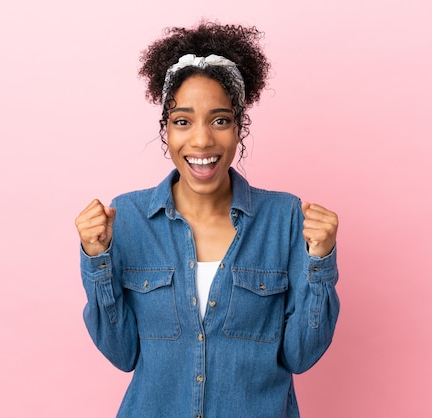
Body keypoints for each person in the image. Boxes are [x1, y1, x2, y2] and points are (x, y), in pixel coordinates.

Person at [75, 21, 340, 418]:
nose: (201, 141)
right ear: (166, 130)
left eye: (219, 120)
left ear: (239, 128)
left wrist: (320, 261)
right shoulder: (127, 218)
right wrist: (96, 259)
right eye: (183, 121)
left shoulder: (285, 218)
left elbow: (300, 355)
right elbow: (122, 352)